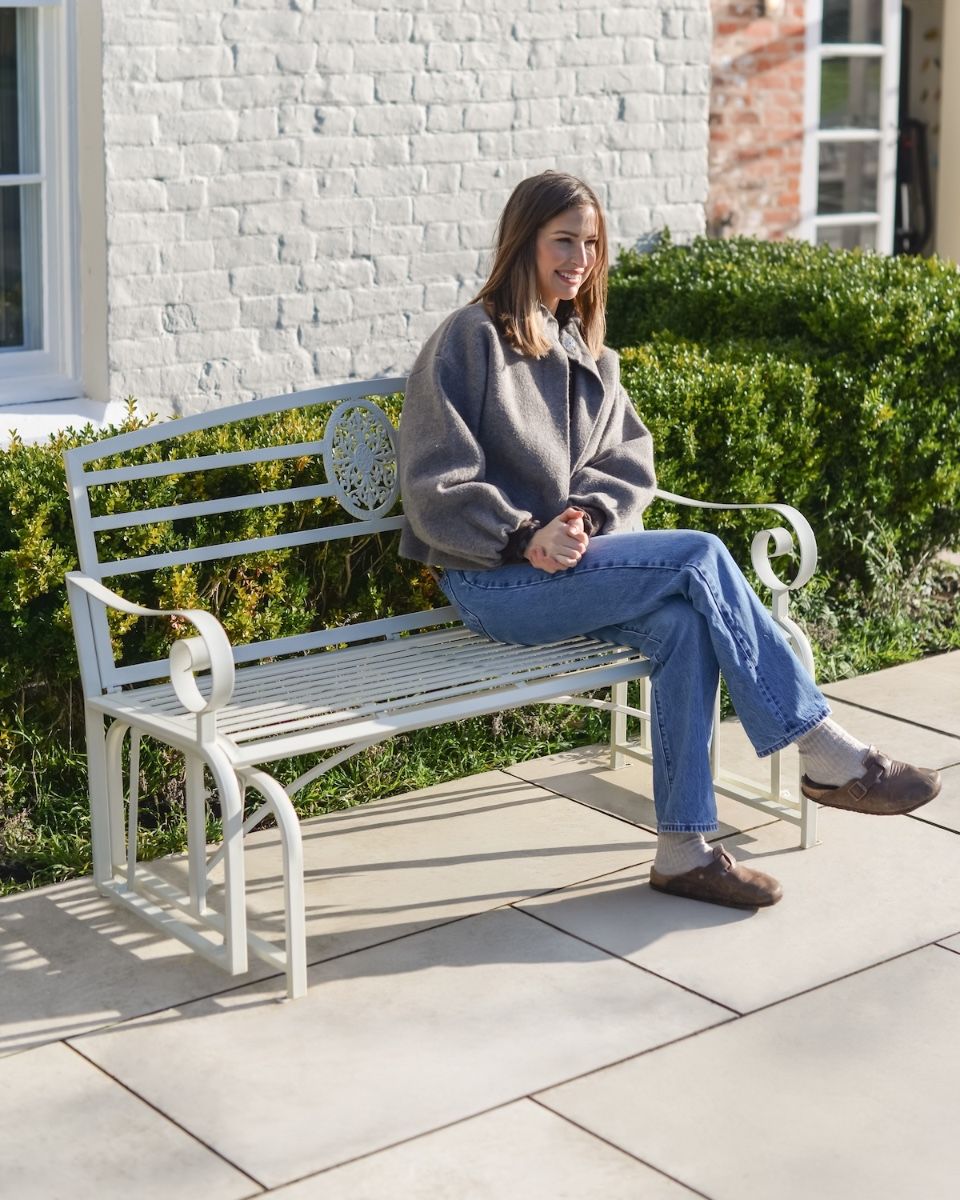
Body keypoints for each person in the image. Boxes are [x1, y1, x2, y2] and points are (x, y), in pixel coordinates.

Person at [396, 170, 941, 909]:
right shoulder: (470, 340)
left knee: (684, 627)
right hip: (492, 583)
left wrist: (583, 515)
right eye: (565, 241)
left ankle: (683, 852)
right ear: (522, 241)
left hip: (571, 570)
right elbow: (433, 484)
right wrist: (524, 534)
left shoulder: (587, 350)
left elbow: (628, 464)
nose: (581, 258)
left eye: (592, 244)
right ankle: (822, 748)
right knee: (701, 553)